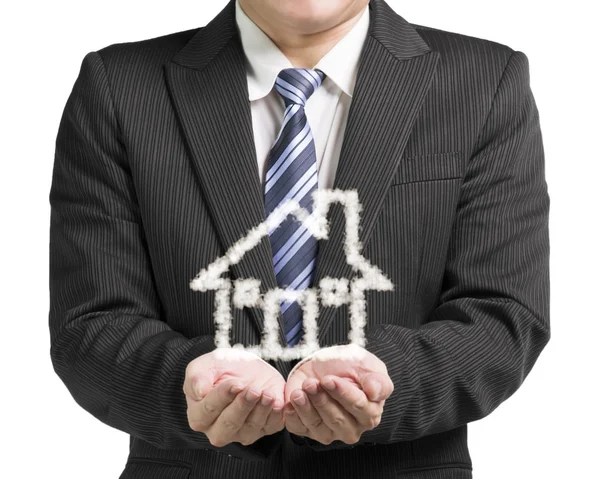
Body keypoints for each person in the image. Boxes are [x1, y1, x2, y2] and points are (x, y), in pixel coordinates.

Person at [48, 0, 551, 477]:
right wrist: (192, 381)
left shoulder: (484, 82)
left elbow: (502, 315)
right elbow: (90, 324)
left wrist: (376, 380)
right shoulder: (119, 87)